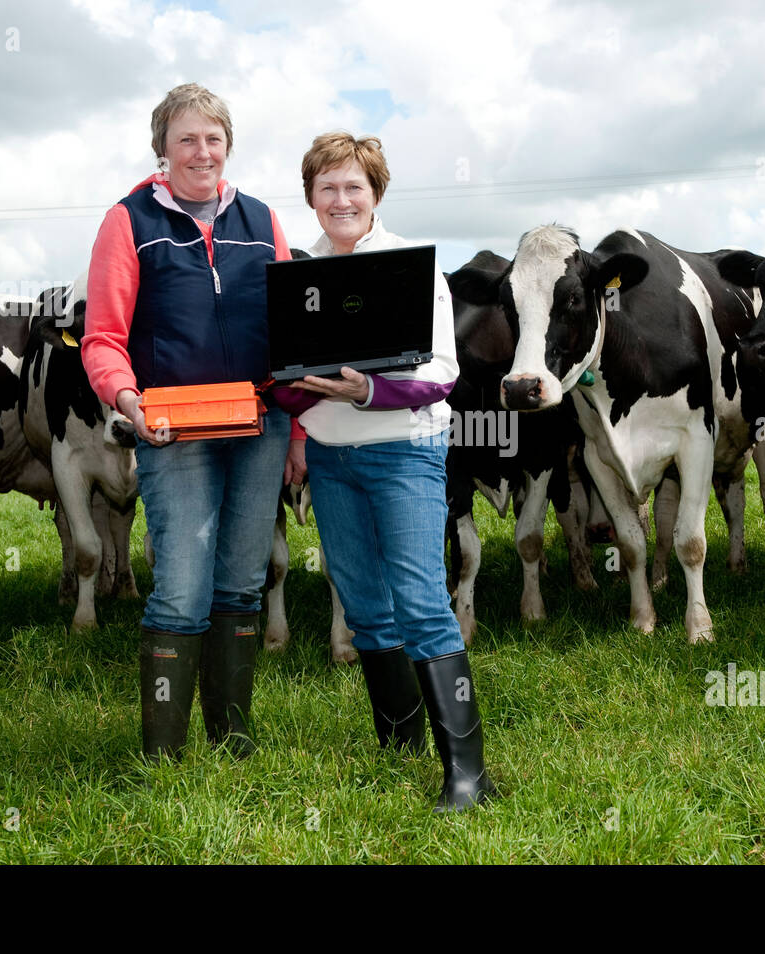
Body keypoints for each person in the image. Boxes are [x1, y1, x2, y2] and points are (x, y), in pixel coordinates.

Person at [274, 132, 495, 811]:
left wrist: (363, 391)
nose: (341, 199)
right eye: (327, 187)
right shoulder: (297, 273)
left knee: (422, 602)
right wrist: (299, 404)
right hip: (332, 459)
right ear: (311, 196)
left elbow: (443, 373)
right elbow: (279, 378)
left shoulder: (410, 267)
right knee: (365, 603)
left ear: (375, 194)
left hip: (405, 450)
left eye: (354, 187)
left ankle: (468, 773)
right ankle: (397, 742)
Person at [82, 83, 294, 760]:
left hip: (260, 425)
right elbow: (103, 338)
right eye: (187, 139)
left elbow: (292, 332)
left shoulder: (261, 219)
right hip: (172, 430)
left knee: (241, 579)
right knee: (179, 587)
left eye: (214, 139)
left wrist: (303, 425)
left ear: (228, 146)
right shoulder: (129, 221)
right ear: (162, 149)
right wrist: (127, 401)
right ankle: (162, 756)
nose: (202, 153)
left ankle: (231, 736)